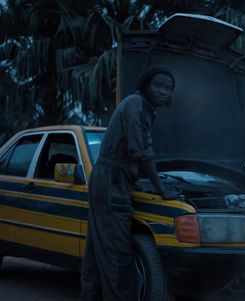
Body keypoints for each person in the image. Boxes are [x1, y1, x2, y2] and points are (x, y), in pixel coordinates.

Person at [79, 67, 177, 301]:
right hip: (112, 181)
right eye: (158, 86)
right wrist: (161, 188)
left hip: (109, 179)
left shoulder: (143, 107)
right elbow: (140, 151)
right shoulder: (136, 105)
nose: (163, 91)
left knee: (96, 252)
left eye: (168, 88)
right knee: (117, 254)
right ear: (145, 86)